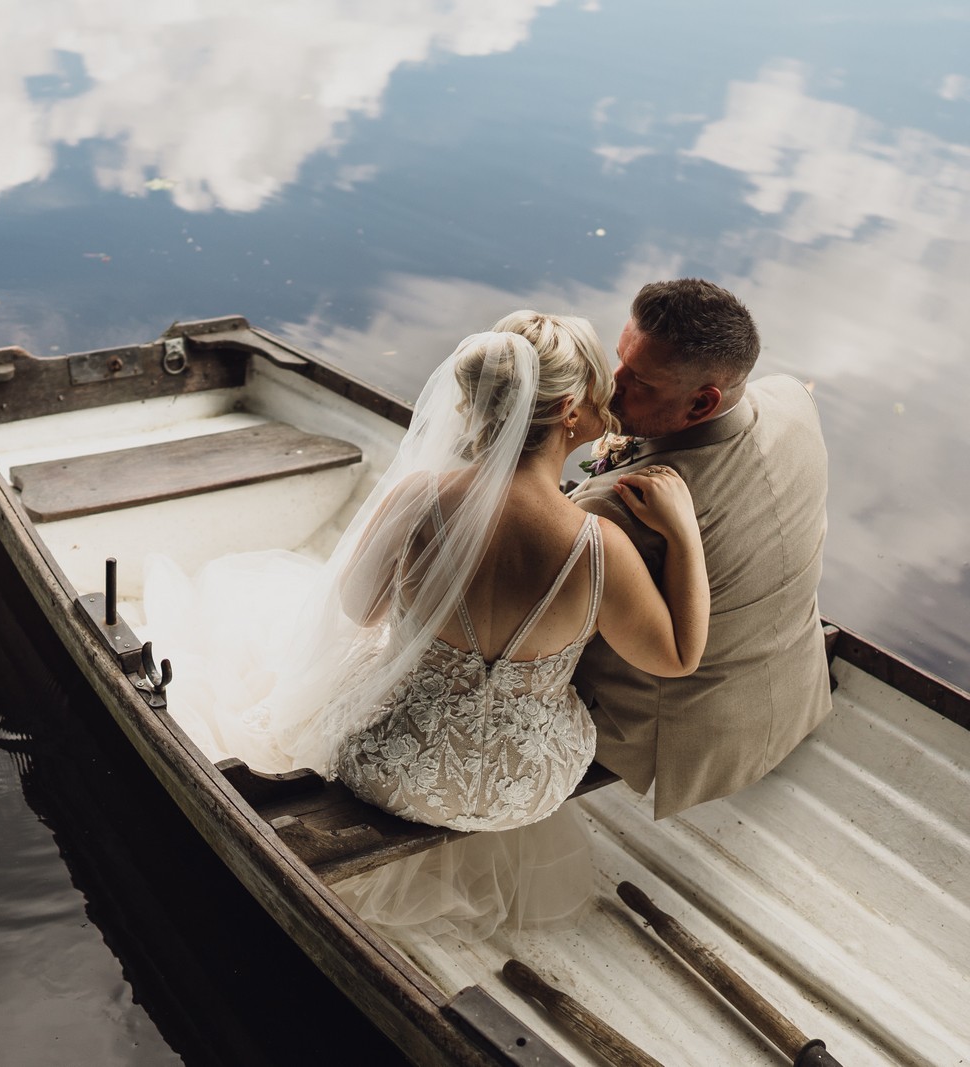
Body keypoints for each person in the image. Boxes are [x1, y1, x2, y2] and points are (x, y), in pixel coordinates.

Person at [143, 312, 709, 938]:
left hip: (391, 764)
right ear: (571, 411)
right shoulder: (600, 548)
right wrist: (682, 532)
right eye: (601, 390)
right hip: (525, 783)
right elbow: (678, 657)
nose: (612, 402)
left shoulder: (418, 499)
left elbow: (360, 610)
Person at [570, 279, 831, 820]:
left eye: (638, 381)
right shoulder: (795, 402)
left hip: (674, 741)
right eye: (618, 360)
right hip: (796, 689)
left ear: (702, 401)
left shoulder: (616, 506)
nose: (608, 387)